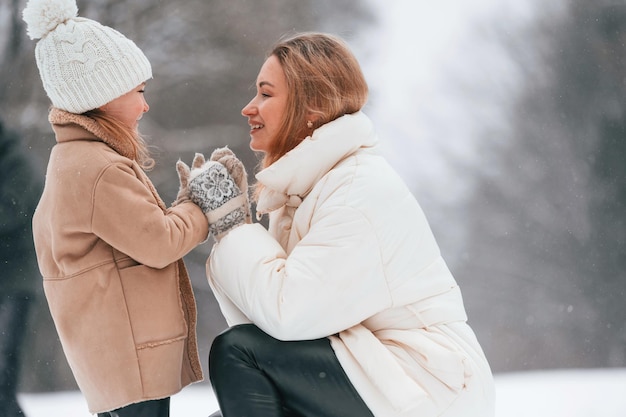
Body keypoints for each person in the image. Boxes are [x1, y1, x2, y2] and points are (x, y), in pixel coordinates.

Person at [183, 32, 495, 417]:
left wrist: (232, 228)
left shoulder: (354, 190)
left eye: (266, 94)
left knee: (236, 352)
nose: (250, 108)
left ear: (311, 106)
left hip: (426, 386)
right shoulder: (305, 191)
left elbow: (287, 314)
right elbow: (271, 326)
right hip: (378, 374)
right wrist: (235, 230)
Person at [22, 0, 209, 415]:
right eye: (138, 92)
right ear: (102, 96)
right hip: (130, 359)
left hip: (111, 356)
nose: (145, 105)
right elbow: (160, 241)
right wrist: (203, 203)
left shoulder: (73, 160)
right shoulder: (97, 168)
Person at [0, 119, 43, 417]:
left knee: (5, 367)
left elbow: (9, 212)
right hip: (8, 280)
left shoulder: (17, 164)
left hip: (17, 283)